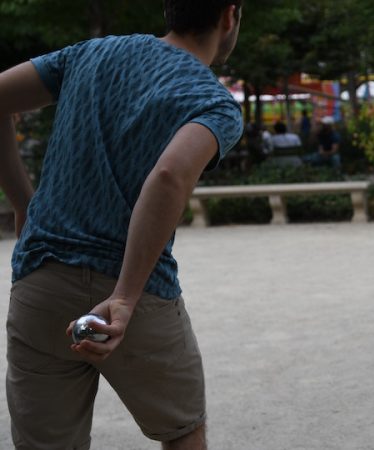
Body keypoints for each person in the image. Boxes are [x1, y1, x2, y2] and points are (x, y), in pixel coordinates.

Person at [0, 0, 244, 448]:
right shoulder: (213, 103)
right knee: (181, 431)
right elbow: (169, 175)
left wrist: (23, 201)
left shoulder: (88, 54)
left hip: (42, 282)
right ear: (229, 16)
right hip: (138, 295)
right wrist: (125, 297)